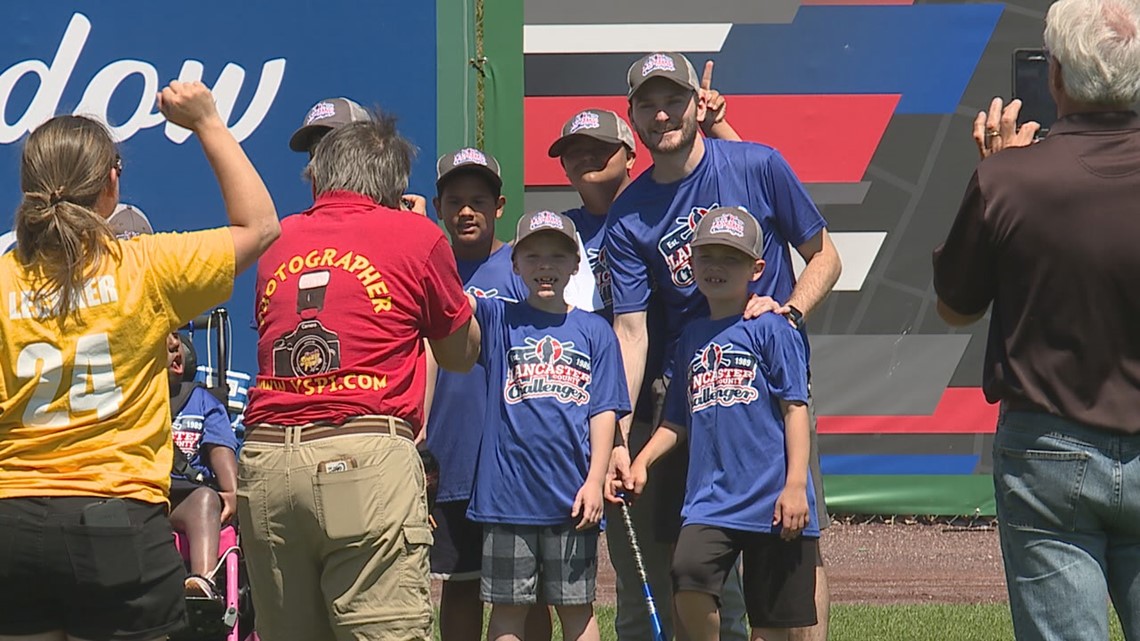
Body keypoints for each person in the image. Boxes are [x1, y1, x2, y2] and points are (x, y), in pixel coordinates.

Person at [0, 81, 279, 641]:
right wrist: (207, 122)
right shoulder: (145, 268)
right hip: (117, 524)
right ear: (110, 183)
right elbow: (260, 226)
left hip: (11, 524)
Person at [606, 51, 842, 641]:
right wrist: (618, 429)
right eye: (648, 104)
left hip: (769, 386)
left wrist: (787, 312)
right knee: (689, 559)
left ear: (695, 102)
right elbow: (631, 334)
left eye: (673, 100)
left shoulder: (757, 164)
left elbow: (826, 256)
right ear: (632, 115)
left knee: (792, 548)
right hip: (688, 391)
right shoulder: (630, 215)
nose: (662, 114)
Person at [933, 1, 1140, 638]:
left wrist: (997, 170)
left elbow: (955, 306)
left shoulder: (1008, 181)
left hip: (1048, 450)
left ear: (1055, 78)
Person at [239, 112, 481, 641]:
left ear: (320, 175)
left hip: (267, 465)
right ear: (393, 182)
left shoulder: (276, 241)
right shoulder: (416, 235)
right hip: (362, 457)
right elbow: (461, 353)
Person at [548, 64, 747, 641]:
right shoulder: (553, 234)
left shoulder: (669, 201)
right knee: (640, 571)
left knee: (714, 553)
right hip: (605, 402)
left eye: (600, 148)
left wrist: (722, 125)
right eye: (574, 151)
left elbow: (746, 194)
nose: (586, 159)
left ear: (630, 151)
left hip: (679, 388)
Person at [627, 207, 819, 641]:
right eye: (706, 256)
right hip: (711, 500)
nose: (716, 268)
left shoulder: (772, 327)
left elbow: (795, 409)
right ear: (689, 263)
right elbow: (676, 419)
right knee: (688, 574)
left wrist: (794, 485)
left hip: (772, 496)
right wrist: (643, 462)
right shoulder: (691, 337)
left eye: (730, 258)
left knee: (772, 624)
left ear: (756, 268)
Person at [467, 210, 630, 641]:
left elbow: (604, 413)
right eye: (533, 256)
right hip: (507, 499)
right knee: (506, 614)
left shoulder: (595, 331)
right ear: (515, 265)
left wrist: (595, 481)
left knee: (577, 611)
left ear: (575, 265)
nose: (545, 266)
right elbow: (448, 296)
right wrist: (422, 228)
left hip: (571, 500)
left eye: (557, 257)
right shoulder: (498, 318)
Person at [423, 148, 550, 641]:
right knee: (460, 583)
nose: (466, 211)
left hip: (514, 457)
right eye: (455, 201)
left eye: (478, 200)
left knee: (528, 588)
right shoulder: (429, 269)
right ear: (439, 208)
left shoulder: (521, 270)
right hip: (451, 455)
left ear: (500, 207)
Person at [165, 331, 239, 601]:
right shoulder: (131, 401)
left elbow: (219, 448)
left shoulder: (202, 401)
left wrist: (231, 491)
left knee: (206, 499)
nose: (175, 348)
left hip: (185, 498)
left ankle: (201, 587)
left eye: (177, 344)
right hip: (142, 493)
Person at [289, 96, 428, 215]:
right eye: (315, 150)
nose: (325, 160)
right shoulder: (299, 231)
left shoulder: (407, 225)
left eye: (339, 147)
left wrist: (413, 229)